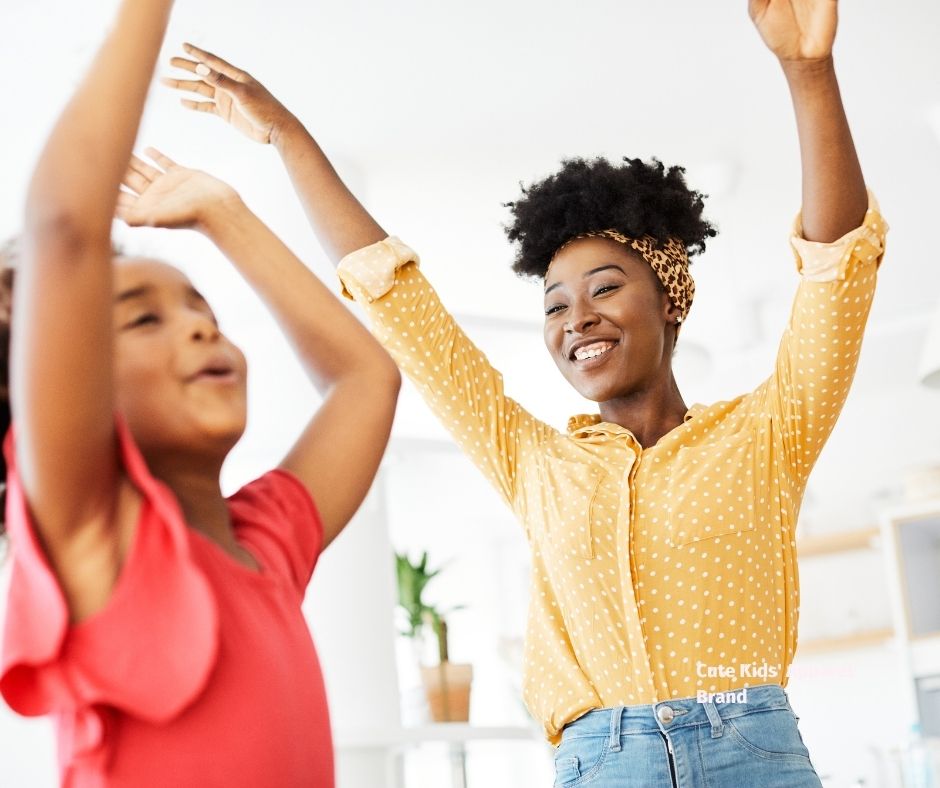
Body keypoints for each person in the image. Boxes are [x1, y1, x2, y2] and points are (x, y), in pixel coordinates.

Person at [165, 0, 887, 783]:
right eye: (554, 305)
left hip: (755, 758)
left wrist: (808, 71)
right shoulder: (533, 463)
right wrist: (289, 138)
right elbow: (401, 308)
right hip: (602, 762)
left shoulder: (767, 436)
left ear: (672, 298)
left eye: (605, 288)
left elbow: (835, 275)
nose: (577, 319)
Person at [0, 1, 401, 786]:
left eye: (203, 311)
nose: (197, 330)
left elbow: (366, 379)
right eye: (143, 318)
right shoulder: (93, 533)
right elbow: (62, 230)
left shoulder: (269, 545)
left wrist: (225, 214)